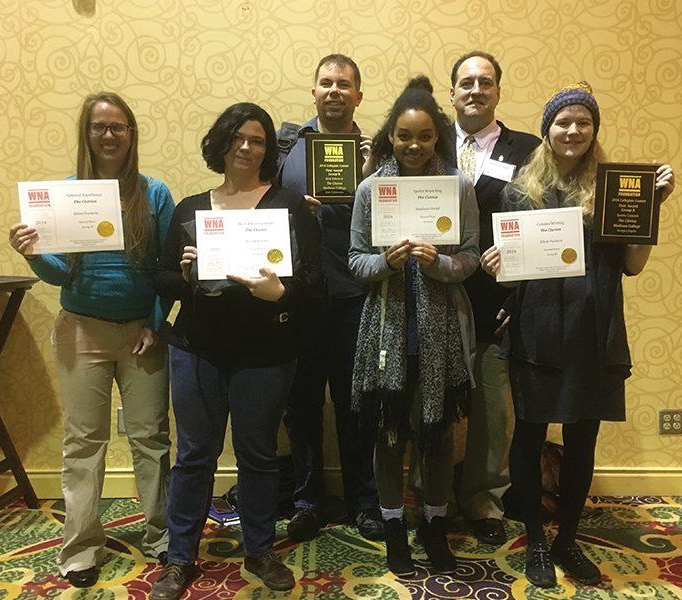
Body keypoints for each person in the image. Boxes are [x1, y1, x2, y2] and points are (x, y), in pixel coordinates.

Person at [481, 82, 675, 587]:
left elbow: (632, 266)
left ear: (594, 130)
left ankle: (567, 539)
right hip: (539, 330)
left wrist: (653, 209)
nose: (573, 131)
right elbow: (511, 271)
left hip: (595, 332)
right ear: (547, 130)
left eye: (582, 123)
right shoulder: (520, 191)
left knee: (583, 439)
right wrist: (495, 264)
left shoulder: (614, 188)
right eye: (563, 122)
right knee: (528, 433)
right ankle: (538, 544)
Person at [149, 102, 323, 599]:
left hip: (266, 352)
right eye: (238, 138)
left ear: (268, 150)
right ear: (221, 143)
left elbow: (314, 282)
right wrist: (183, 278)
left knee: (259, 456)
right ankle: (179, 558)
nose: (247, 148)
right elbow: (160, 278)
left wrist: (281, 294)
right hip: (197, 349)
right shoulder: (190, 209)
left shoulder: (289, 206)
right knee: (194, 457)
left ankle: (260, 550)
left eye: (258, 141)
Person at [8, 92, 173, 588]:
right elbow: (62, 276)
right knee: (84, 442)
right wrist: (33, 255)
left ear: (131, 134)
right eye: (100, 127)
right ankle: (80, 547)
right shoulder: (65, 195)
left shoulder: (155, 193)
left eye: (118, 126)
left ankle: (163, 536)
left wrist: (155, 323)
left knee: (151, 438)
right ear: (87, 135)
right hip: (82, 330)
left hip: (143, 333)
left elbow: (167, 272)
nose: (109, 135)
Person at [349, 76, 480, 577]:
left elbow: (469, 256)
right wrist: (385, 262)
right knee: (390, 434)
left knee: (439, 435)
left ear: (437, 139)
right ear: (390, 137)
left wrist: (437, 266)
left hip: (441, 332)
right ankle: (394, 529)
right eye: (404, 136)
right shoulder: (370, 190)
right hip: (385, 332)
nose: (414, 146)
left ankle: (433, 525)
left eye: (424, 136)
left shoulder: (458, 187)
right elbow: (355, 262)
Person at [277, 54, 384, 542]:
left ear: (358, 95)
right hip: (297, 298)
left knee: (355, 403)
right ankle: (306, 500)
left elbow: (390, 224)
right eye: (326, 83)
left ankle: (365, 501)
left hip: (354, 295)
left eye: (345, 84)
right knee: (301, 405)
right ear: (313, 92)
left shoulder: (378, 153)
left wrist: (365, 178)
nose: (335, 91)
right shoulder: (285, 149)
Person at [448, 50, 540, 546]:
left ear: (498, 91)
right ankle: (432, 495)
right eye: (466, 82)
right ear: (453, 92)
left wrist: (520, 291)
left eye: (486, 82)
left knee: (491, 406)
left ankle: (485, 500)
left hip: (496, 300)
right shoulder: (426, 140)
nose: (476, 90)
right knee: (431, 402)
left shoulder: (529, 149)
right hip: (433, 292)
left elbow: (546, 219)